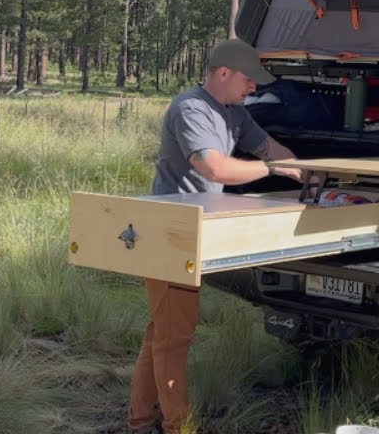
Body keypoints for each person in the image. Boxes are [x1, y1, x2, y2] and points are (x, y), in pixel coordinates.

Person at [129, 39, 303, 434]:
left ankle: (141, 420)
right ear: (223, 73)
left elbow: (269, 147)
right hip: (168, 232)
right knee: (174, 337)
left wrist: (305, 168)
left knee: (162, 332)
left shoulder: (234, 113)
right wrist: (273, 169)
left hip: (194, 231)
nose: (253, 88)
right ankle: (179, 426)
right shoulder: (191, 109)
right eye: (247, 79)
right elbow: (215, 169)